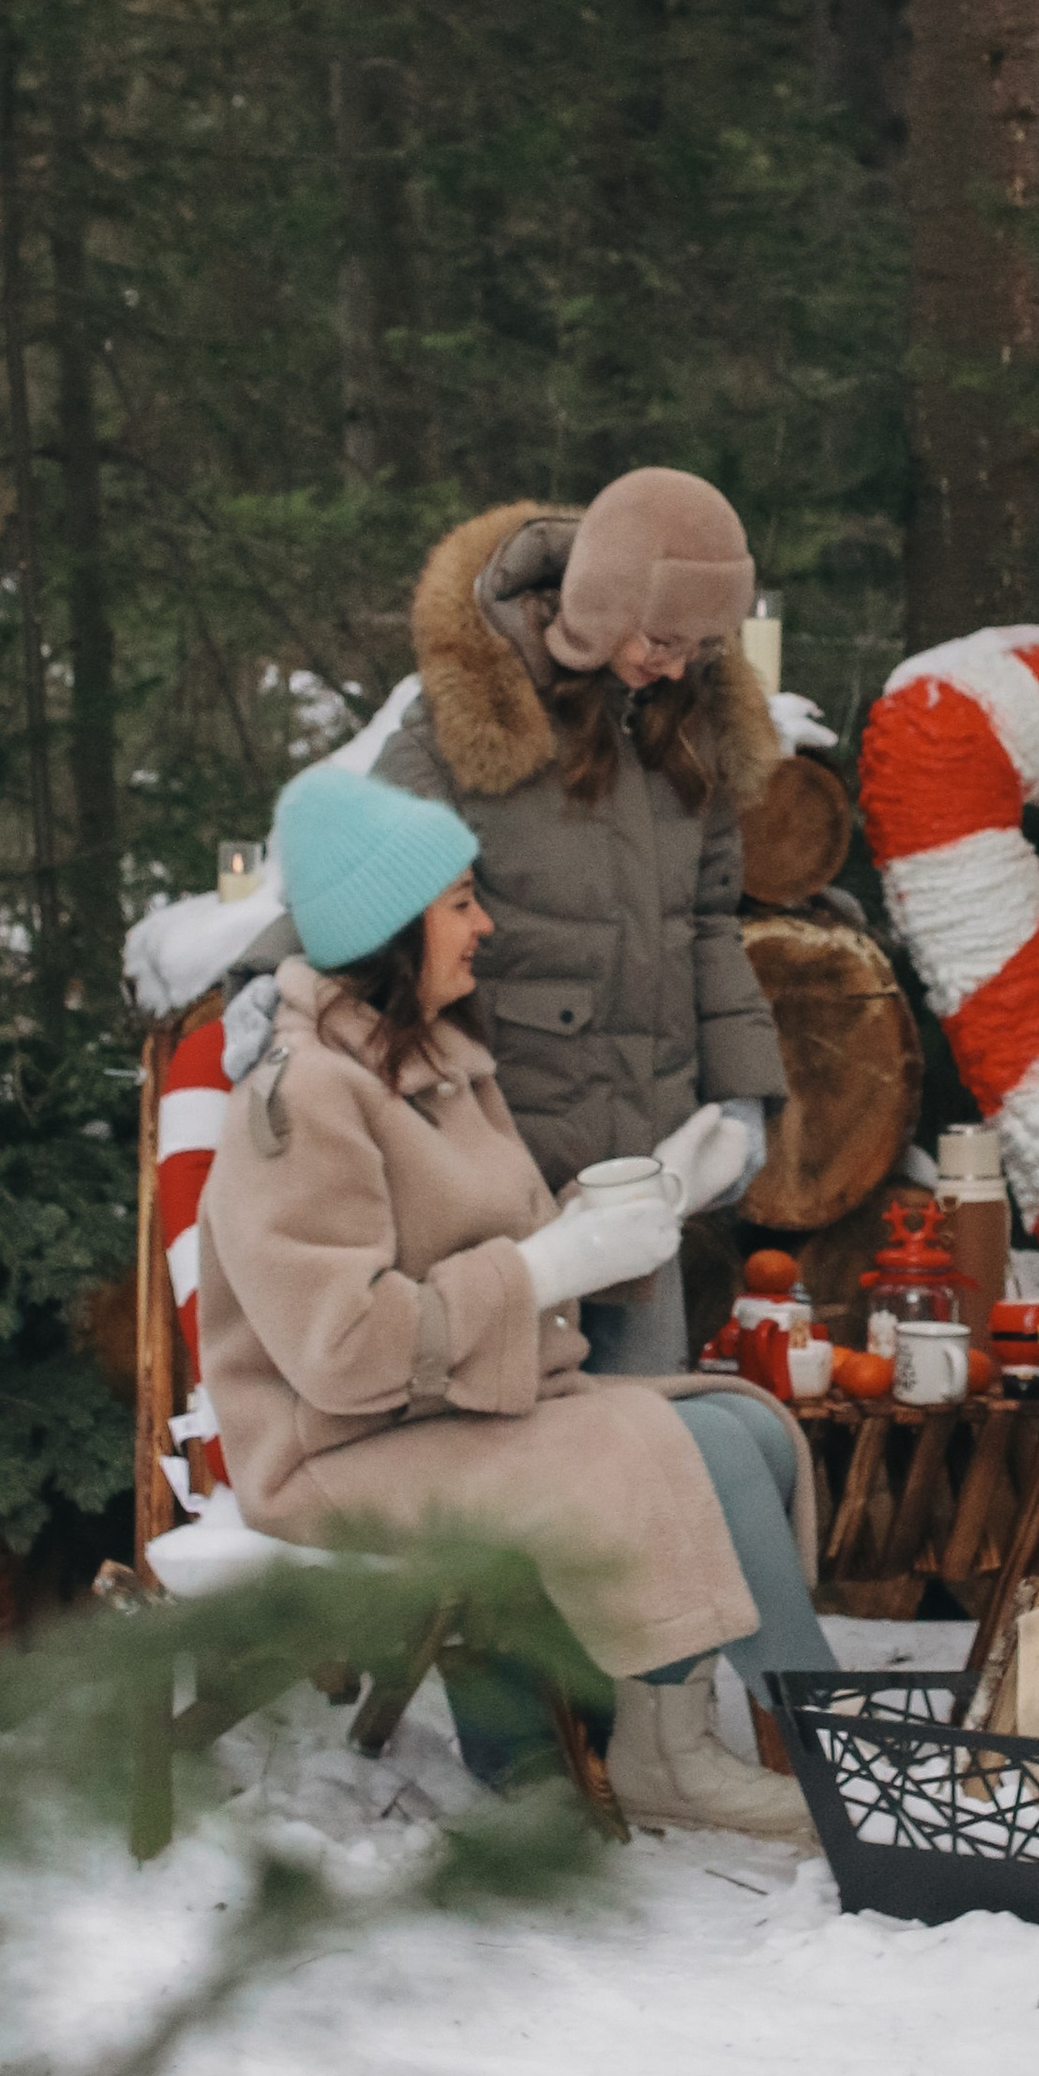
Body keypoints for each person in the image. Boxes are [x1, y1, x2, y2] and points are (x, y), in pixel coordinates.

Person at [196, 763, 832, 1845]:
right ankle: (797, 1759)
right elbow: (340, 1348)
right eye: (459, 905)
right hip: (336, 1450)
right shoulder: (300, 1096)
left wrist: (648, 1194)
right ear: (393, 927)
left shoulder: (440, 1060)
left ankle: (755, 1743)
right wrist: (549, 1271)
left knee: (746, 1430)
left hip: (442, 1416)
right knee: (678, 1449)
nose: (484, 925)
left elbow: (509, 1244)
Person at [365, 469, 789, 1377]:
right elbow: (368, 867)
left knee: (649, 1449)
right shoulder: (475, 710)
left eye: (701, 645)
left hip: (642, 1176)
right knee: (531, 1474)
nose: (677, 665)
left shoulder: (693, 720)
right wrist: (262, 985)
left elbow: (709, 922)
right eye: (663, 638)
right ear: (602, 603)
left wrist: (744, 1094)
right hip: (506, 1164)